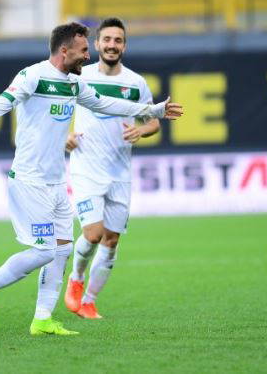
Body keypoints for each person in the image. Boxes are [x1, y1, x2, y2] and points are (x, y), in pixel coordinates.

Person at [0, 22, 183, 336]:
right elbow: (0, 104)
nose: (87, 56)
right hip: (29, 180)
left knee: (62, 250)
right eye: (83, 50)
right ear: (64, 50)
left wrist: (154, 111)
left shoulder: (74, 84)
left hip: (57, 182)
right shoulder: (33, 75)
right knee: (44, 251)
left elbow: (106, 103)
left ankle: (43, 319)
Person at [63, 17, 158, 319]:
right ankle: (76, 279)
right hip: (86, 169)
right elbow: (56, 111)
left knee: (112, 240)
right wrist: (64, 135)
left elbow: (153, 121)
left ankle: (89, 301)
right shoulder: (80, 76)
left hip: (120, 173)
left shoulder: (136, 83)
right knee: (93, 234)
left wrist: (142, 130)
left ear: (124, 46)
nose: (112, 45)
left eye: (118, 40)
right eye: (107, 39)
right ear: (97, 44)